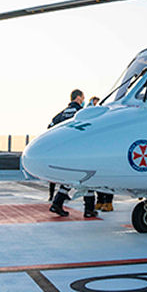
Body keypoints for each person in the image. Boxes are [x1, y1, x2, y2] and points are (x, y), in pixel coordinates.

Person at [47, 89, 98, 218]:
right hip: (80, 152)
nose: (84, 100)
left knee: (69, 180)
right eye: (83, 97)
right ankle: (89, 209)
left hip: (63, 153)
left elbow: (50, 128)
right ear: (78, 98)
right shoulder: (81, 114)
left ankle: (57, 203)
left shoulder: (61, 114)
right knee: (89, 180)